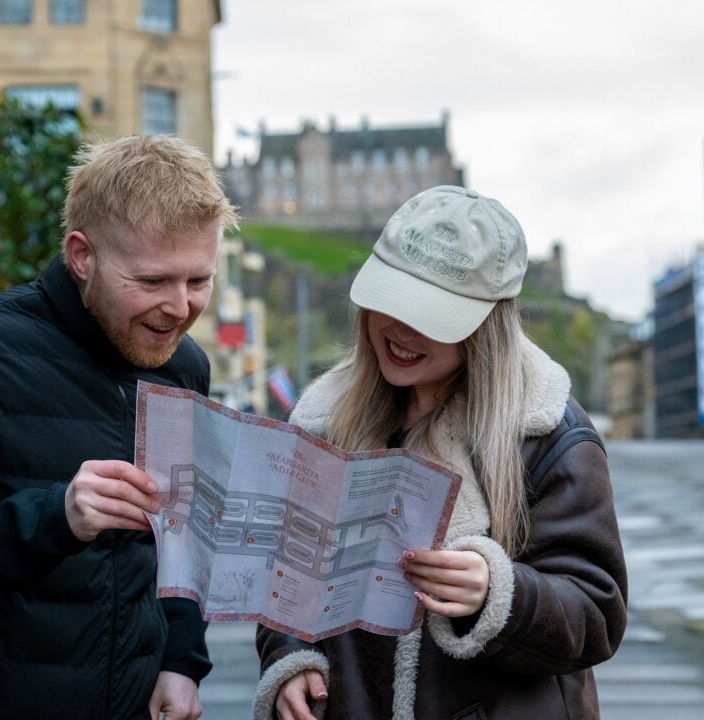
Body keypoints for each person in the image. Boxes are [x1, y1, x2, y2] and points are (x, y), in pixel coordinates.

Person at [0, 135, 239, 719]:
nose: (179, 308)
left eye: (198, 281)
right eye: (151, 281)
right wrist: (56, 517)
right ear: (81, 255)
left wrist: (181, 660)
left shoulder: (185, 366)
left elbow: (179, 541)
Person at [253, 185, 628, 720]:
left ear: (486, 326)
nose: (400, 331)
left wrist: (502, 594)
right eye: (391, 302)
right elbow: (285, 580)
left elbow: (597, 613)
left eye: (431, 315)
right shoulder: (325, 423)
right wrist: (291, 660)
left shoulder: (547, 432)